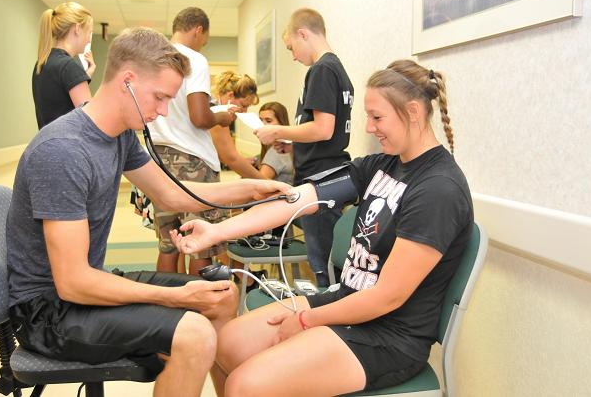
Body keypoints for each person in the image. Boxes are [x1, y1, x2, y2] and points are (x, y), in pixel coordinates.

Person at [6, 27, 291, 397]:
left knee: (221, 294)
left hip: (82, 290)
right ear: (127, 81)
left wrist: (253, 189)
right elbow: (72, 282)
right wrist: (177, 298)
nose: (161, 112)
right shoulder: (64, 151)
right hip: (49, 313)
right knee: (195, 332)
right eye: (159, 98)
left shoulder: (118, 135)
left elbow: (172, 194)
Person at [172, 60, 473, 395]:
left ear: (414, 112)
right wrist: (217, 232)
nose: (370, 128)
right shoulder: (382, 165)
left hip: (389, 335)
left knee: (245, 385)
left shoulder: (438, 189)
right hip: (346, 299)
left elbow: (388, 297)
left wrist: (305, 321)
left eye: (377, 117)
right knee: (224, 343)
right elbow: (298, 198)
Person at [254, 8, 354, 287]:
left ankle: (323, 321)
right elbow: (321, 129)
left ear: (303, 34)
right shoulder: (337, 69)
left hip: (320, 177)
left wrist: (278, 130)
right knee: (325, 260)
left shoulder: (322, 69)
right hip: (327, 171)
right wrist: (292, 138)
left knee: (323, 267)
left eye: (291, 48)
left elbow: (323, 129)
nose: (293, 55)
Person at [147, 7, 236, 275]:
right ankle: (198, 309)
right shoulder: (194, 59)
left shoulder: (152, 59)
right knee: (199, 243)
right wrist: (221, 117)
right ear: (198, 30)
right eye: (204, 40)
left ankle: (164, 310)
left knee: (168, 244)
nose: (202, 45)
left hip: (158, 162)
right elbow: (199, 116)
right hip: (192, 162)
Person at [33, 2, 96, 129]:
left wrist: (85, 75)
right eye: (89, 32)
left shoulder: (42, 63)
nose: (89, 40)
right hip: (70, 146)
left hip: (49, 143)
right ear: (77, 29)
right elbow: (90, 121)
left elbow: (59, 98)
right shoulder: (69, 66)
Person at [210, 71, 264, 179]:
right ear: (230, 95)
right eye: (243, 105)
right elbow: (230, 158)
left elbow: (220, 151)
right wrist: (267, 182)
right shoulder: (219, 112)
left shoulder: (211, 108)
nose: (244, 111)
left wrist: (242, 161)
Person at [257, 102, 294, 184]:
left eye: (268, 121)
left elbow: (260, 184)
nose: (262, 126)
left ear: (281, 123)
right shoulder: (289, 145)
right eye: (260, 121)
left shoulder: (277, 151)